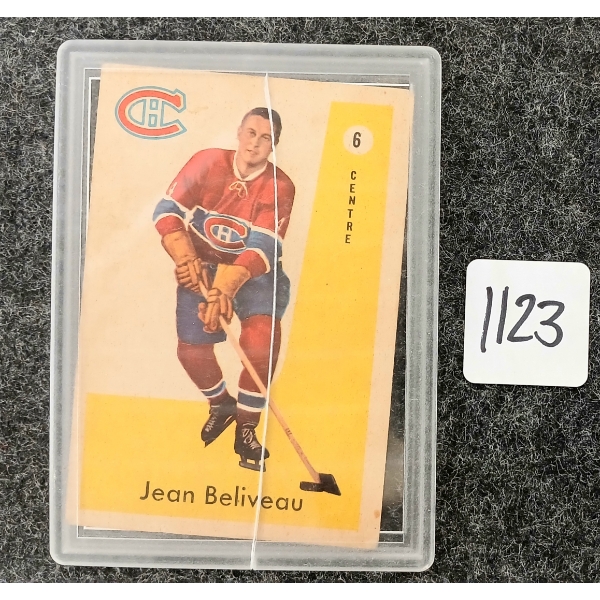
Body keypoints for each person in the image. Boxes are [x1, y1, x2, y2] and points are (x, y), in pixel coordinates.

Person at [153, 107, 295, 472]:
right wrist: (185, 257)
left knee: (261, 343)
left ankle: (246, 429)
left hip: (255, 275)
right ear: (239, 132)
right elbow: (166, 210)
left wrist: (225, 289)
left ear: (274, 144)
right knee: (191, 352)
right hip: (202, 266)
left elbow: (263, 247)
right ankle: (221, 404)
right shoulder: (207, 161)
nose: (255, 143)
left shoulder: (280, 185)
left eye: (266, 138)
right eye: (251, 133)